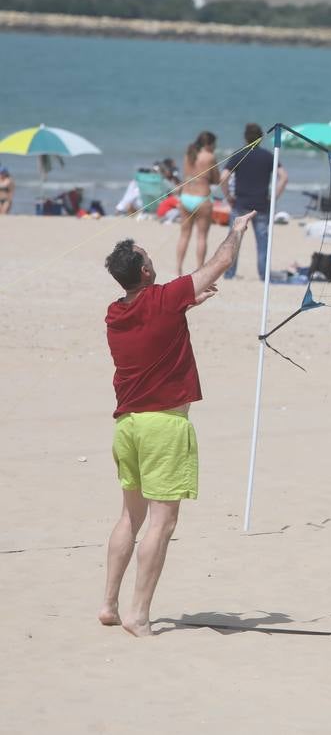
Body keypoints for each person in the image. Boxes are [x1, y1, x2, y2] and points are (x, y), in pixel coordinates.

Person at [99, 210, 257, 637]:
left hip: (127, 427)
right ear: (146, 269)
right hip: (163, 427)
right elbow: (219, 263)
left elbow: (153, 318)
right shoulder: (164, 299)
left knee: (129, 518)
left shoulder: (115, 313)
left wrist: (186, 303)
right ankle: (137, 614)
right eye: (149, 256)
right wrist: (237, 230)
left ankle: (109, 605)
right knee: (161, 523)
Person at [218, 123, 288, 281]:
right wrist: (274, 197)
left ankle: (229, 274)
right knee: (262, 244)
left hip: (241, 205)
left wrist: (228, 196)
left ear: (245, 137)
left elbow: (223, 177)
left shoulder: (239, 155)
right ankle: (263, 275)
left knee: (234, 241)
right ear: (261, 138)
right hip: (262, 206)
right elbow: (284, 177)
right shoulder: (268, 156)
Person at [175, 131, 218, 275]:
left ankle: (178, 267)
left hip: (186, 196)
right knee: (201, 236)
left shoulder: (189, 154)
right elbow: (216, 179)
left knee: (184, 235)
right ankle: (199, 268)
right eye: (214, 144)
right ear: (209, 144)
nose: (215, 147)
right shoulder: (210, 157)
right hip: (201, 199)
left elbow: (185, 175)